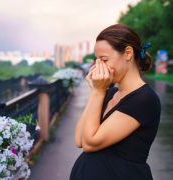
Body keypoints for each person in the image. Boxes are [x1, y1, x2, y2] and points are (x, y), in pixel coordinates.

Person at [69, 24, 161, 180]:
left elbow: (90, 143)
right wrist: (95, 93)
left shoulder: (144, 99)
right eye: (97, 60)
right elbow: (80, 139)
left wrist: (98, 92)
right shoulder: (109, 93)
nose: (98, 66)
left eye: (104, 59)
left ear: (128, 53)